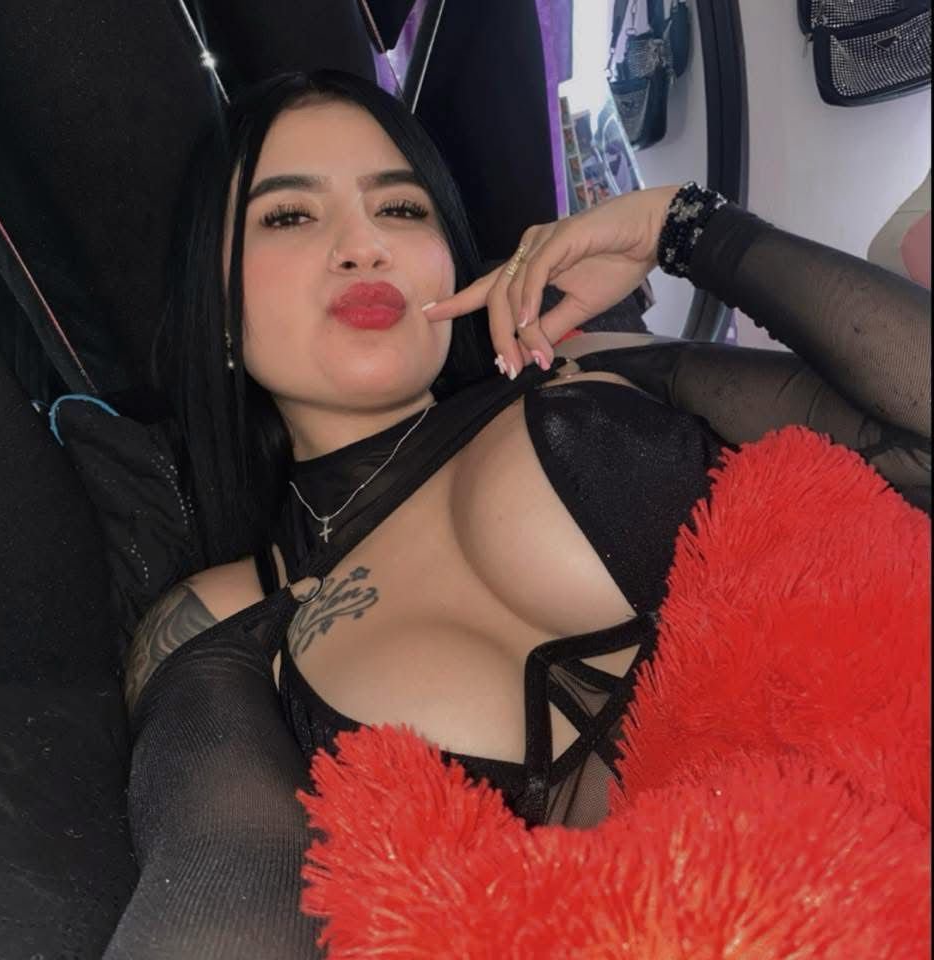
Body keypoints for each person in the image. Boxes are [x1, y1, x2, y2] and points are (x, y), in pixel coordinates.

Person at [104, 69, 930, 958]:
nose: (363, 246)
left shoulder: (591, 368)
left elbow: (914, 443)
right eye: (290, 216)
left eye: (401, 209)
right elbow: (221, 875)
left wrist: (683, 225)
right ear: (219, 306)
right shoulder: (218, 618)